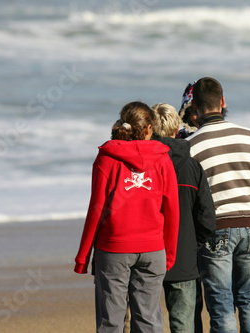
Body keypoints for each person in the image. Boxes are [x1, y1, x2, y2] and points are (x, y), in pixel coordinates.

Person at [73, 101, 180, 332]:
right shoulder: (163, 159)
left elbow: (96, 209)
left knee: (110, 322)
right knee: (149, 321)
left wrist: (83, 255)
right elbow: (172, 209)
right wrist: (169, 254)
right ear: (149, 129)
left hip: (113, 250)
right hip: (153, 250)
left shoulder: (107, 158)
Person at [186, 77, 250, 333]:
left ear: (194, 107)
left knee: (221, 304)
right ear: (223, 101)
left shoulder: (191, 146)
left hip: (215, 229)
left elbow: (189, 199)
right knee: (249, 300)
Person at [151, 103, 216, 333]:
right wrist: (192, 244)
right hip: (184, 257)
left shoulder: (143, 165)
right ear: (177, 127)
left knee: (147, 323)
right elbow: (207, 218)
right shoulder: (193, 166)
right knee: (184, 325)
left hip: (148, 254)